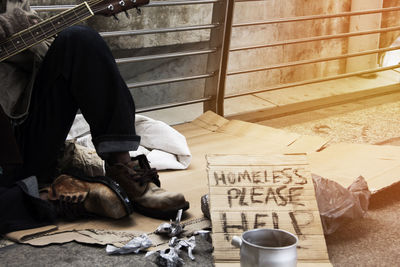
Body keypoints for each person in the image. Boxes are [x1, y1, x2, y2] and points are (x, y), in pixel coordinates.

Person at [0, 0, 189, 234]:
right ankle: (51, 196)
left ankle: (123, 169)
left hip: (26, 137)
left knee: (79, 39)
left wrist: (14, 30)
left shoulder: (11, 5)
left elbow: (51, 57)